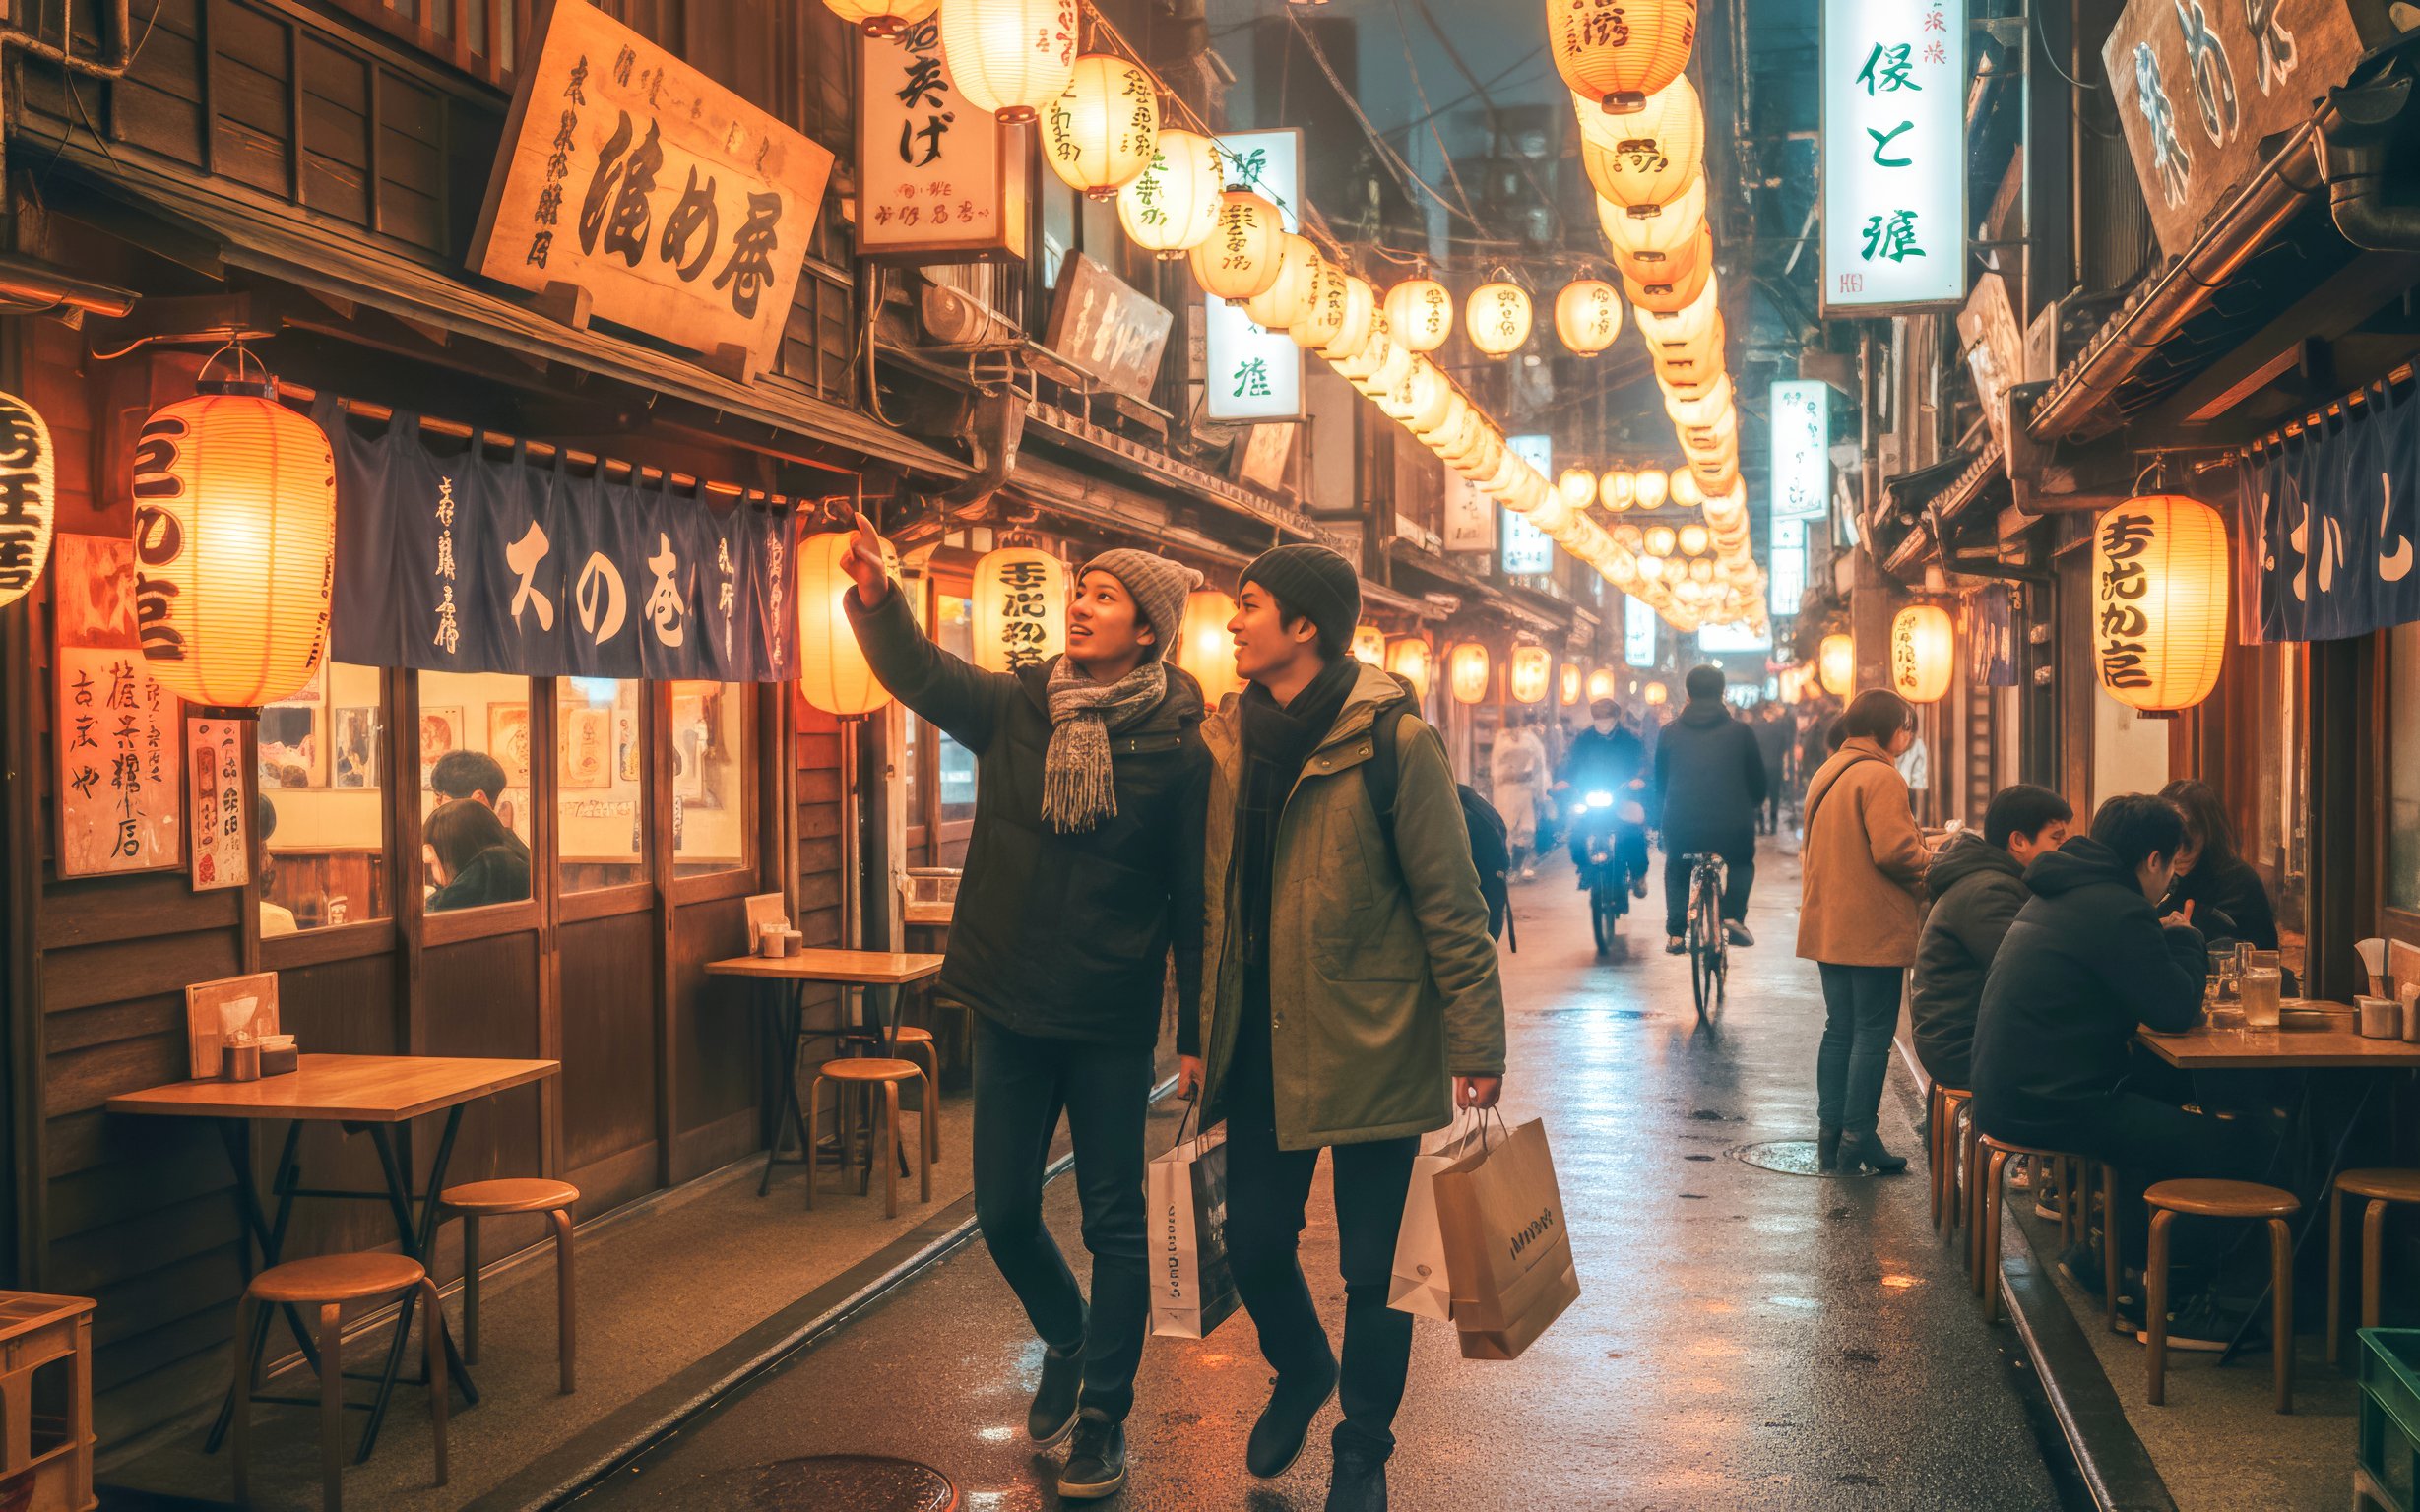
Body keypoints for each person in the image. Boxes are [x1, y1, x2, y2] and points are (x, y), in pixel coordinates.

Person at [843, 516, 1210, 1502]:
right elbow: (920, 674)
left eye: (1104, 596)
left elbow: (1195, 901)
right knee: (1001, 1212)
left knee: (1113, 1221)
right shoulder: (1017, 706)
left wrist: (1200, 1036)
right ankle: (1067, 1332)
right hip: (1008, 997)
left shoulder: (1182, 749)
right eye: (1078, 589)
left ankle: (1103, 1415)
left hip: (1108, 1011)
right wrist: (880, 601)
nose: (1080, 605)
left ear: (1148, 632)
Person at [1181, 542, 1504, 1512]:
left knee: (1377, 1268)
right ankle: (1301, 1369)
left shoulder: (1394, 742)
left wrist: (1476, 1046)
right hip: (1259, 1038)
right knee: (1251, 1246)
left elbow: (1452, 902)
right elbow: (1209, 902)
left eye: (1248, 606)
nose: (1231, 623)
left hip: (1372, 1033)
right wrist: (1197, 1032)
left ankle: (1363, 1447)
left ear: (1305, 626)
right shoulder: (1226, 741)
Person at [1971, 795, 2253, 1297]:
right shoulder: (2118, 906)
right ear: (2152, 860)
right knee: (2234, 1146)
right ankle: (2190, 1291)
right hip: (2052, 1104)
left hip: (2011, 1092)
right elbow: (2172, 1009)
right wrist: (2187, 939)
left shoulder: (2065, 889)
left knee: (2159, 1100)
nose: (2170, 883)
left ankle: (2109, 1261)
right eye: (2170, 869)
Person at [1796, 689, 1931, 1172]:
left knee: (1840, 1029)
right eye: (1905, 725)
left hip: (1830, 922)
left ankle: (1830, 1135)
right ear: (1883, 728)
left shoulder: (1829, 769)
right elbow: (1895, 852)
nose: (1909, 735)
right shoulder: (1881, 775)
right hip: (1870, 928)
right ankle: (1859, 1136)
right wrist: (1935, 859)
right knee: (1872, 1035)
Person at [1908, 785, 2072, 1091]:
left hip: (1968, 1034)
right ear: (2019, 841)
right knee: (2094, 1062)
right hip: (1961, 1045)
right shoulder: (1990, 891)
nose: (2064, 849)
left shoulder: (1997, 880)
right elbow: (2025, 973)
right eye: (2056, 838)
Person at [1652, 664, 1767, 953]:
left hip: (1681, 822)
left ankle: (1676, 934)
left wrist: (1660, 819)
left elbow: (1660, 782)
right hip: (1731, 826)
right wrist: (1750, 806)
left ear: (1688, 694)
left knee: (1677, 866)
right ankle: (1732, 917)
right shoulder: (1741, 732)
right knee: (1741, 864)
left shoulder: (1669, 733)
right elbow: (1758, 782)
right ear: (1723, 692)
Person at [2157, 779, 2279, 951]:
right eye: (2168, 840)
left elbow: (2263, 951)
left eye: (2186, 838)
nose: (2177, 854)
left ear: (2208, 831)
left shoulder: (2238, 880)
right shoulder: (2161, 874)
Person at [1560, 697, 1649, 897]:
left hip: (1621, 796)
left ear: (1616, 717)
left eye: (1606, 717)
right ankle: (1584, 868)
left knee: (1633, 835)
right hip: (1589, 797)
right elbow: (1571, 763)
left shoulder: (1630, 739)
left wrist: (1639, 779)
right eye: (1598, 717)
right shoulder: (1583, 739)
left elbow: (1642, 764)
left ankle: (1638, 875)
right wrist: (1565, 780)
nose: (1602, 721)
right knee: (1576, 834)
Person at [424, 798, 533, 912]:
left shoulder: (490, 866)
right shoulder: (513, 854)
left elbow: (434, 910)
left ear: (454, 854)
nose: (433, 872)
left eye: (433, 863)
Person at [428, 749, 531, 862]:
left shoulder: (483, 856)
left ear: (478, 799)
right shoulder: (507, 845)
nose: (438, 803)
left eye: (441, 796)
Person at [1489, 712, 1549, 881]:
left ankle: (1517, 867)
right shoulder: (1503, 739)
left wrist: (1539, 789)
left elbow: (1539, 764)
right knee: (1508, 830)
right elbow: (1496, 769)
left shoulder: (1528, 738)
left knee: (1524, 829)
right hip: (1507, 791)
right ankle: (1509, 869)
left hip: (1522, 791)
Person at [1752, 702, 1792, 836]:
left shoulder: (1756, 728)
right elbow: (1785, 747)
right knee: (1775, 797)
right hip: (1775, 766)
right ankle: (1773, 826)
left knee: (1760, 797)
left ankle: (1761, 827)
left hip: (1759, 767)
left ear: (1764, 713)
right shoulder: (1780, 728)